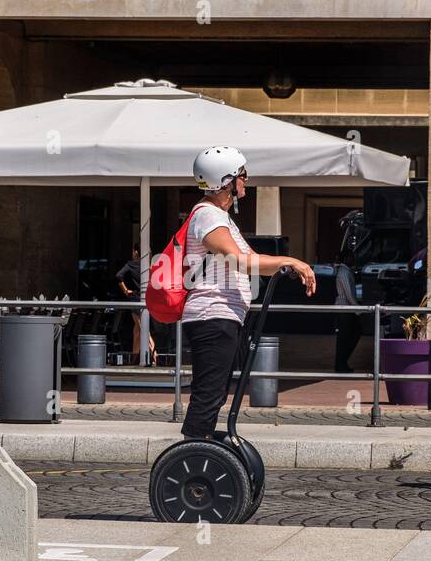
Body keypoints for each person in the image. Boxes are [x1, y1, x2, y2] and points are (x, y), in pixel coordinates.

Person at [179, 146, 316, 440]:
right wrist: (290, 261)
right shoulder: (208, 216)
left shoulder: (220, 218)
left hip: (223, 318)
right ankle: (193, 455)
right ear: (226, 181)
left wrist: (285, 265)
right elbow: (239, 261)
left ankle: (201, 448)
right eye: (243, 175)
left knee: (215, 394)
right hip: (211, 316)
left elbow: (252, 259)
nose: (246, 182)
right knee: (209, 395)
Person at [115, 244, 156, 362]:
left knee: (142, 327)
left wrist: (125, 290)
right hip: (147, 298)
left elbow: (118, 276)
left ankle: (154, 353)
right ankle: (134, 357)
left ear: (136, 252)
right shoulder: (149, 265)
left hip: (135, 298)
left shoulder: (131, 264)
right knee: (137, 329)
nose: (132, 253)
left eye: (133, 251)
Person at [334, 250, 360, 374]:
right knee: (344, 338)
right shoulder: (343, 272)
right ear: (346, 258)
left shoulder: (347, 271)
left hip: (348, 309)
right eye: (352, 257)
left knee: (351, 336)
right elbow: (349, 294)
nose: (354, 260)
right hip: (344, 309)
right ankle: (340, 365)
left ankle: (342, 363)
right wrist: (358, 310)